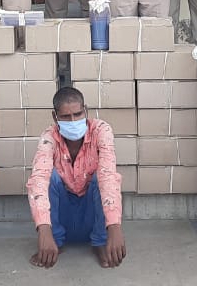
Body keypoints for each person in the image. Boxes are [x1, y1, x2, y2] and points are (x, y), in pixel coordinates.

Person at [27, 87, 126, 270]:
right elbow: (39, 178)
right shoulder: (49, 137)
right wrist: (43, 229)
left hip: (91, 212)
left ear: (86, 110)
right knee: (50, 178)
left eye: (78, 114)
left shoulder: (101, 131)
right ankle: (54, 241)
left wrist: (114, 226)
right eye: (65, 117)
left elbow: (108, 177)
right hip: (64, 212)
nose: (73, 121)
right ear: (54, 117)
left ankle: (100, 242)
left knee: (101, 176)